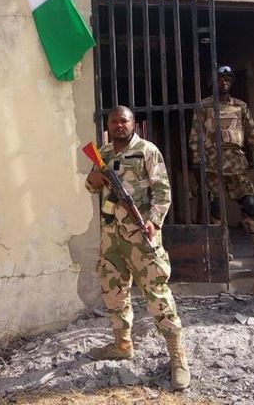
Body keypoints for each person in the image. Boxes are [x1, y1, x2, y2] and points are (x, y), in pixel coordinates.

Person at [85, 106, 190, 391]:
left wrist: (154, 221)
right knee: (113, 290)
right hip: (111, 236)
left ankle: (177, 355)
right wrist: (94, 179)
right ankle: (122, 344)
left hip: (141, 233)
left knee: (157, 292)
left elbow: (163, 191)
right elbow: (92, 186)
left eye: (124, 120)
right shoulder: (103, 153)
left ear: (133, 124)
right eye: (114, 121)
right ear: (108, 125)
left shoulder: (147, 150)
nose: (119, 125)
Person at [188, 65, 254, 262]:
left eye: (228, 79)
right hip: (213, 164)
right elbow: (196, 135)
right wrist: (196, 160)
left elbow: (251, 133)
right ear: (213, 83)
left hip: (236, 164)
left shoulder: (240, 106)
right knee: (217, 210)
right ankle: (223, 250)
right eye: (220, 79)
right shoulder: (204, 106)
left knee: (250, 205)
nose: (224, 83)